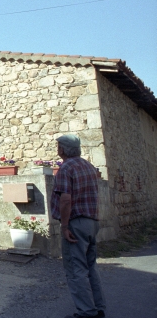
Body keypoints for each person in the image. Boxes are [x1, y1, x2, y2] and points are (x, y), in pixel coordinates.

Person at [51, 134, 106, 318]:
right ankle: (98, 308)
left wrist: (64, 226)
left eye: (58, 146)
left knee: (76, 269)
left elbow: (66, 199)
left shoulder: (66, 168)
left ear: (62, 150)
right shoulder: (88, 166)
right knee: (91, 267)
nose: (57, 149)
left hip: (76, 223)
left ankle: (86, 312)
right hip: (92, 221)